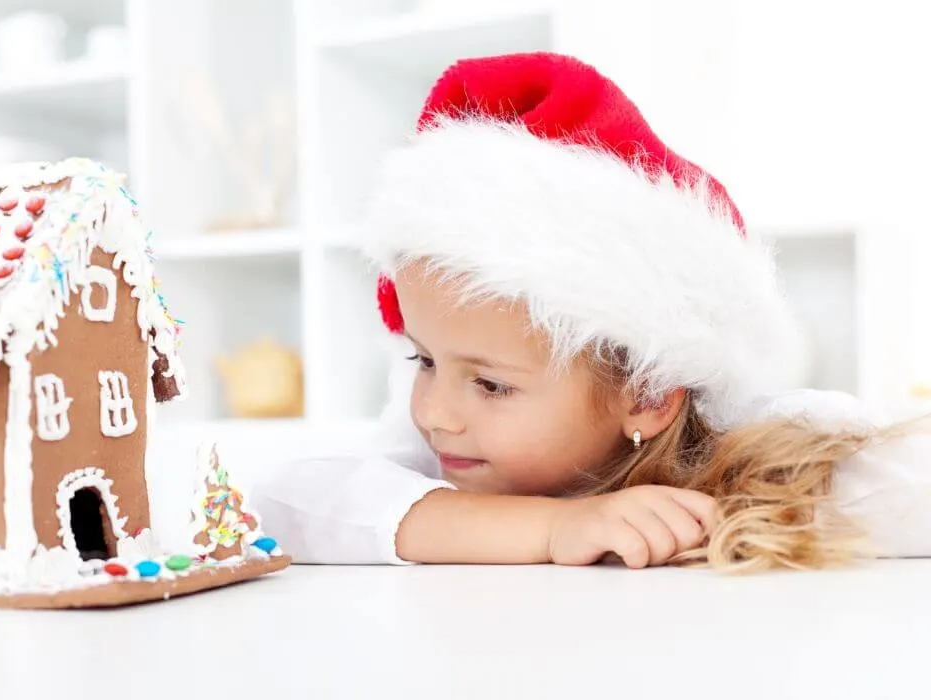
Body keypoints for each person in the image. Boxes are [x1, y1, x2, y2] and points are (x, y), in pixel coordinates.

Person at [251, 52, 931, 572]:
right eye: (425, 359)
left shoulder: (749, 448)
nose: (435, 411)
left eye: (491, 383)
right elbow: (286, 501)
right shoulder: (446, 445)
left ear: (648, 394)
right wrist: (550, 531)